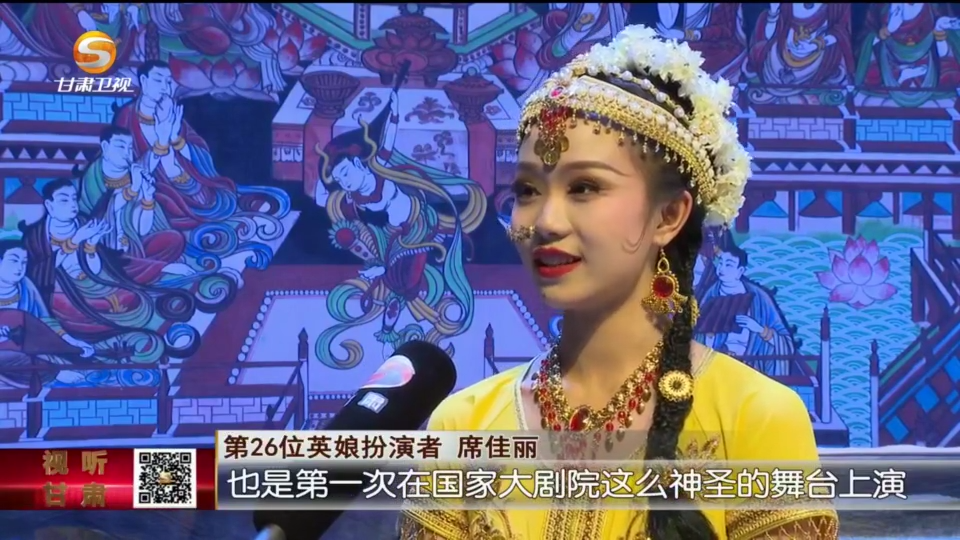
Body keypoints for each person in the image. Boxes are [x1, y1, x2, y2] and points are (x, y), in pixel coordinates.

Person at [398, 25, 838, 540]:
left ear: (668, 216)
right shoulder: (464, 425)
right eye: (527, 190)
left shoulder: (753, 417)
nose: (545, 223)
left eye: (585, 187)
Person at [694, 241, 796, 376]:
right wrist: (709, 337)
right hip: (718, 368)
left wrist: (759, 329)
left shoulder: (759, 299)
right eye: (721, 263)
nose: (722, 268)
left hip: (752, 369)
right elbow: (697, 338)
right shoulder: (711, 295)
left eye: (729, 265)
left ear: (740, 271)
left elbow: (785, 343)